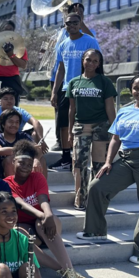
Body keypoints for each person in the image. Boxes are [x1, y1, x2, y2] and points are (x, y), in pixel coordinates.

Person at [77, 74, 139, 265]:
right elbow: (115, 138)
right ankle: (95, 230)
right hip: (125, 158)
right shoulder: (124, 111)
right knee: (97, 186)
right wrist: (108, 162)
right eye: (136, 88)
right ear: (131, 90)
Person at [6, 140, 86, 278]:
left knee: (43, 223)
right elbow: (19, 203)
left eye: (29, 164)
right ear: (14, 160)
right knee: (18, 235)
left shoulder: (37, 177)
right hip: (26, 226)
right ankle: (67, 272)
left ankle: (69, 273)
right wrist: (42, 215)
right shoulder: (6, 183)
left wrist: (47, 214)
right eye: (22, 163)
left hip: (46, 227)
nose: (26, 167)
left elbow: (43, 200)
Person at [49, 12, 100, 171]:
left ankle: (87, 159)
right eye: (68, 23)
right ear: (65, 25)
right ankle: (66, 158)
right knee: (64, 125)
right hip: (66, 89)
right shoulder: (63, 44)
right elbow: (60, 69)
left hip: (85, 88)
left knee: (85, 124)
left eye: (75, 22)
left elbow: (97, 64)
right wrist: (54, 91)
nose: (72, 25)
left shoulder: (89, 41)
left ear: (80, 23)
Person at [66, 49, 117, 209]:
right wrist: (69, 130)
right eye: (89, 60)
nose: (91, 63)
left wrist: (115, 131)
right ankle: (80, 197)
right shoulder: (74, 82)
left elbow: (110, 108)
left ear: (99, 64)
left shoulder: (104, 82)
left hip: (101, 127)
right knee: (79, 163)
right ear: (83, 60)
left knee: (98, 164)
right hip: (80, 127)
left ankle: (96, 198)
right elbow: (71, 109)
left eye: (95, 61)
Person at [0, 109, 45, 179]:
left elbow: (38, 149)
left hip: (23, 169)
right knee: (11, 159)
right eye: (11, 122)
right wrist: (25, 149)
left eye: (17, 122)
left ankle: (40, 188)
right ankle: (13, 188)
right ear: (3, 124)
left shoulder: (23, 136)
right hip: (3, 175)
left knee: (40, 159)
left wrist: (36, 159)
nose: (14, 125)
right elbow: (0, 151)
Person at [0, 88, 47, 153]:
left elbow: (35, 122)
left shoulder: (20, 111)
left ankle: (33, 153)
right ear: (0, 101)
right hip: (1, 136)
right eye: (6, 99)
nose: (9, 101)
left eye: (11, 98)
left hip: (18, 135)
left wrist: (41, 139)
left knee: (35, 131)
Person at [0, 20, 28, 106]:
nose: (8, 31)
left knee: (13, 107)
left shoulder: (20, 47)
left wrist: (11, 55)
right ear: (1, 31)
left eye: (10, 29)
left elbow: (23, 65)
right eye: (5, 29)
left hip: (12, 79)